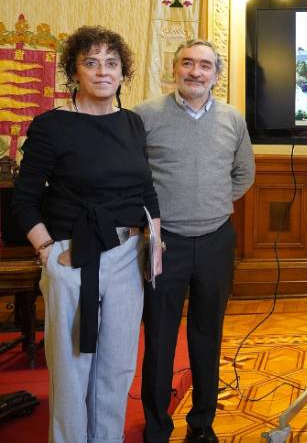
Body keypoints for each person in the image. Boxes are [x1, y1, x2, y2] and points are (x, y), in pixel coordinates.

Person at [12, 26, 162, 443]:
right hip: (72, 255)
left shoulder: (132, 123)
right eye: (91, 63)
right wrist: (47, 250)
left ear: (122, 72)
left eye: (111, 63)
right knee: (71, 369)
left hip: (127, 253)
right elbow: (23, 200)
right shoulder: (51, 125)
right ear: (74, 71)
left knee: (117, 367)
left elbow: (146, 190)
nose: (102, 71)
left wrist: (156, 244)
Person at [135, 39, 255, 443]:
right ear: (175, 69)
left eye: (205, 65)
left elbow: (244, 174)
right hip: (163, 242)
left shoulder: (232, 119)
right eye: (187, 63)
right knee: (159, 336)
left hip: (216, 240)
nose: (195, 72)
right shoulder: (145, 115)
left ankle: (202, 425)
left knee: (207, 334)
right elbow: (132, 175)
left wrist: (212, 203)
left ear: (216, 76)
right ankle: (157, 427)